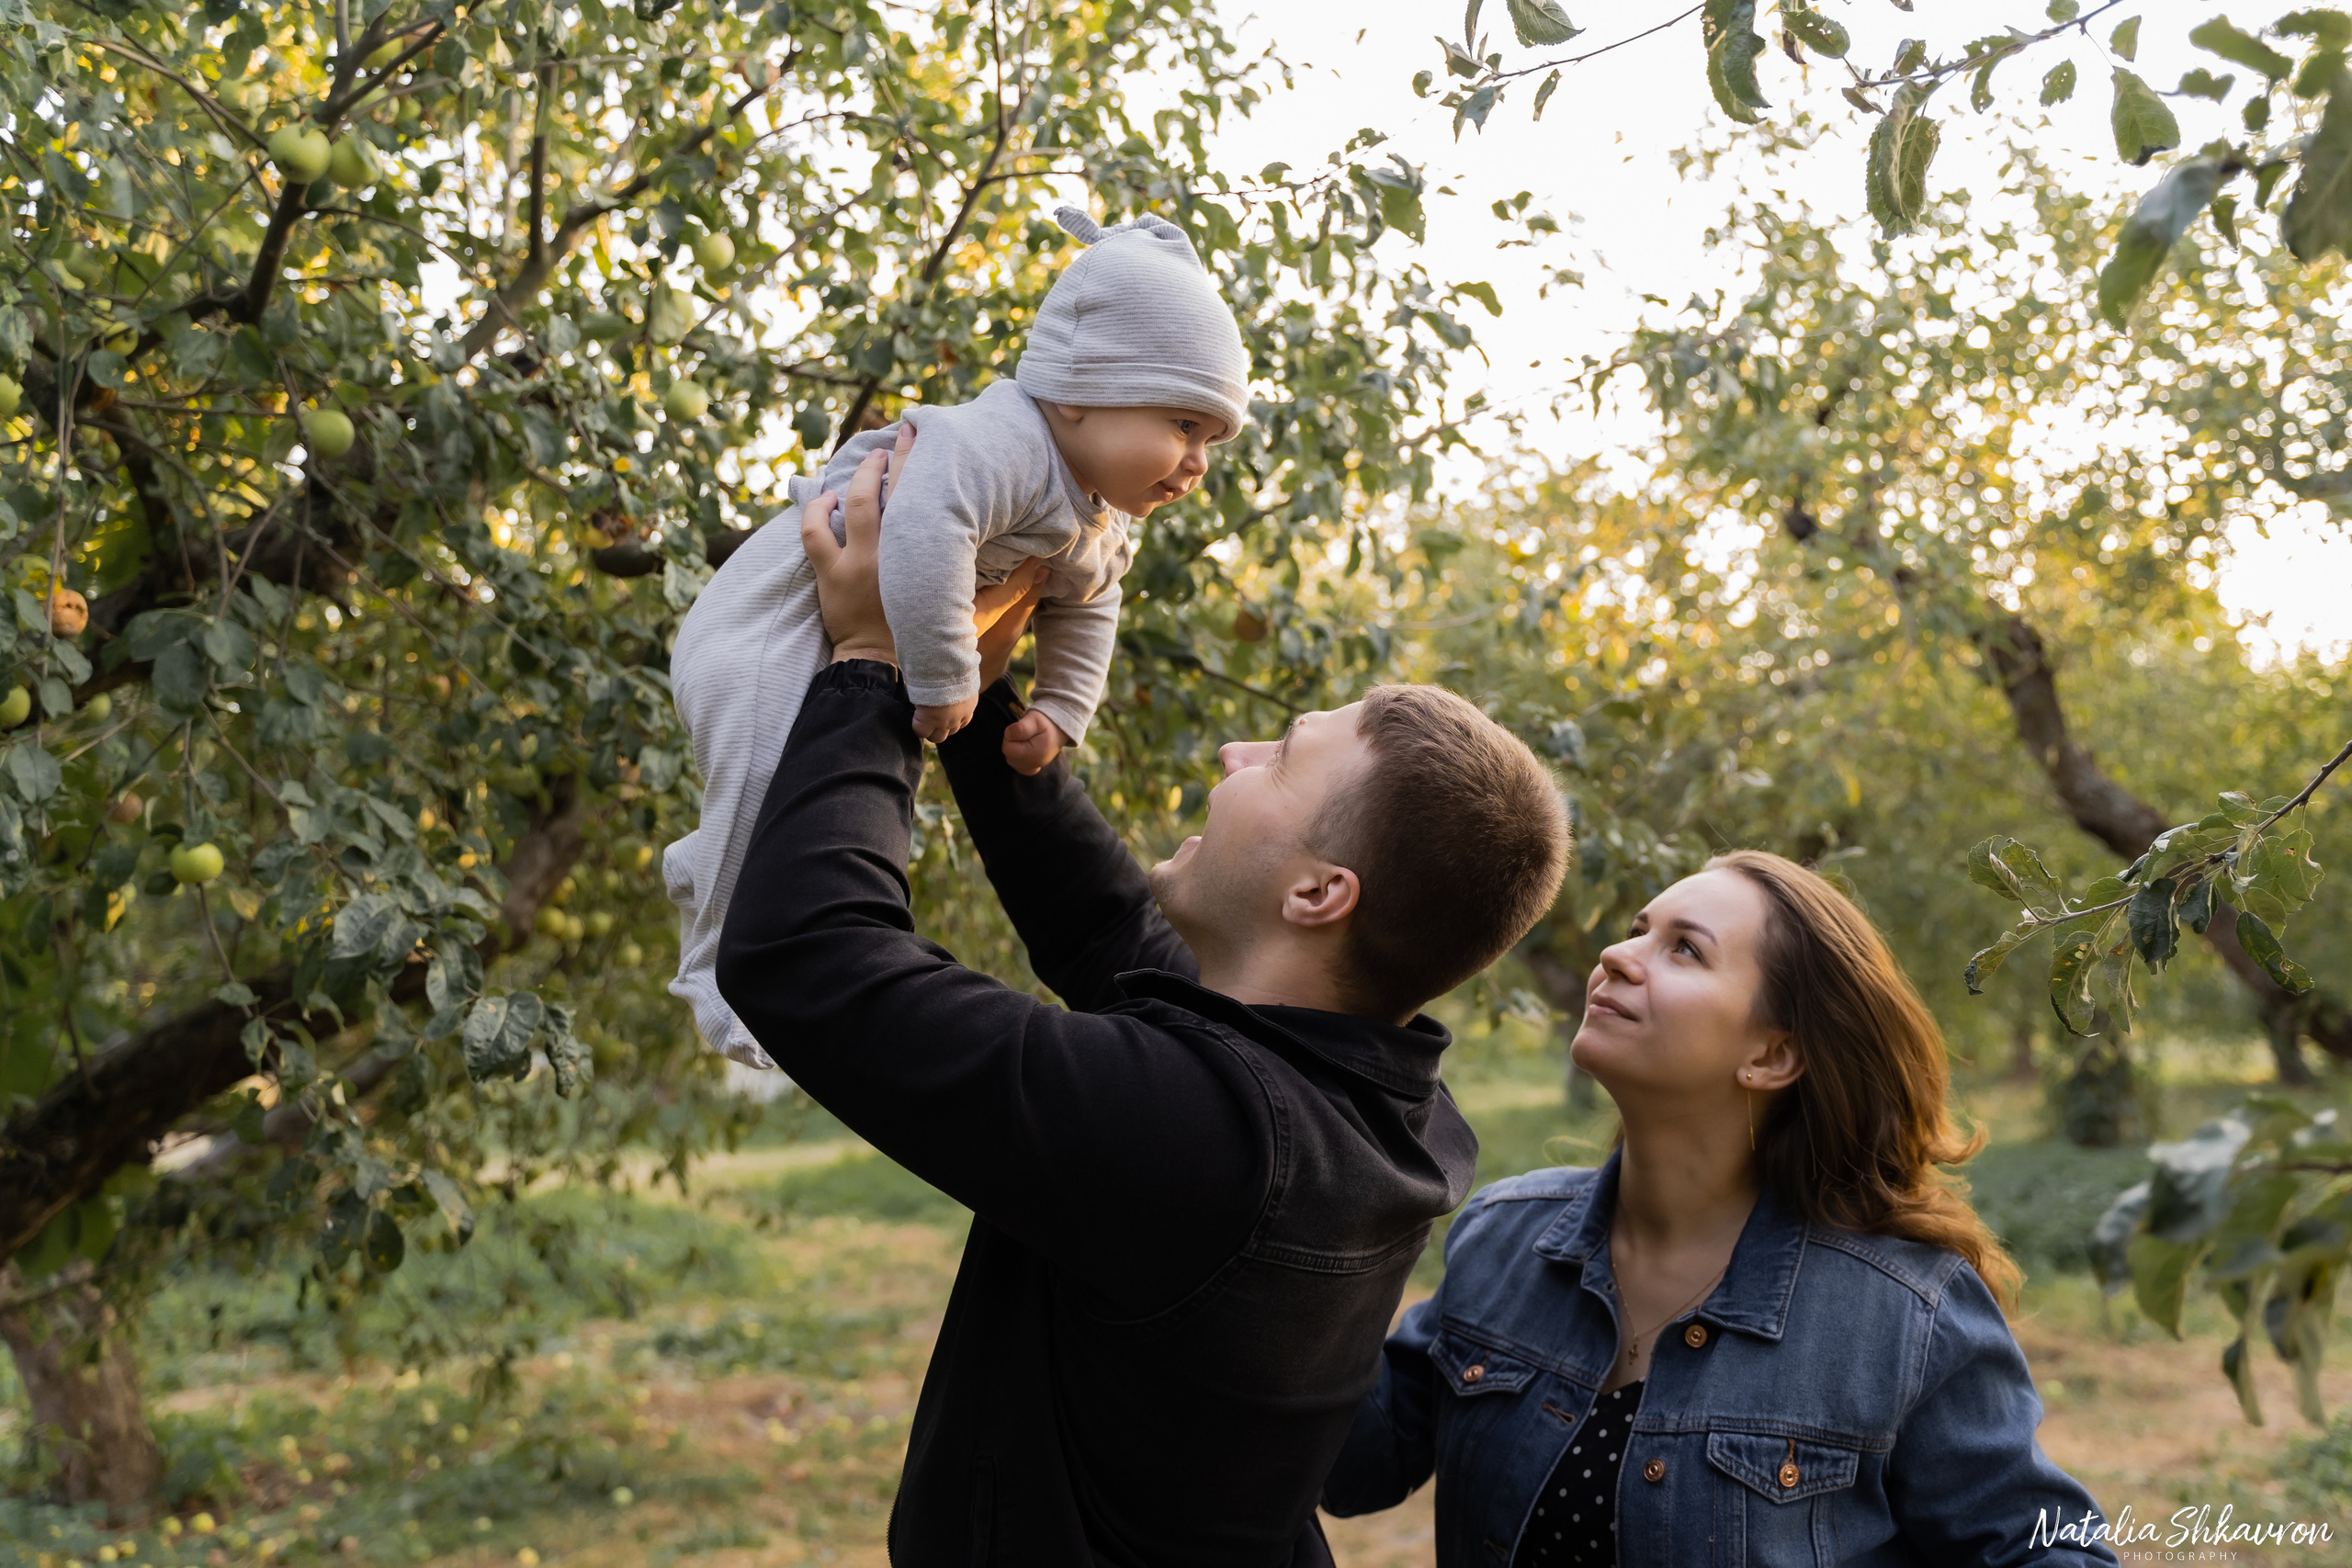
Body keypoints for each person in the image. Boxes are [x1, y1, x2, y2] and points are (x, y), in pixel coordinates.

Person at [713, 443, 1571, 1564]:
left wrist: (872, 663)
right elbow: (1108, 934)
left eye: (1279, 759)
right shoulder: (1354, 1100)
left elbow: (810, 956)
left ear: (1318, 893)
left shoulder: (1209, 1138)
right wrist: (960, 680)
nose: (1233, 747)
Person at [1322, 852, 2122, 1567]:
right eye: (1639, 930)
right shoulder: (1504, 1234)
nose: (1615, 956)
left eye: (1684, 948)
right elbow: (1354, 1463)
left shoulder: (1904, 1315)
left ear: (1771, 1054)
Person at [666, 205, 1249, 1068]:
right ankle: (714, 968)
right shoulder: (1003, 440)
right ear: (1082, 392)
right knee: (758, 782)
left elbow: (1091, 604)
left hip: (858, 633)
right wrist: (942, 680)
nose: (1198, 461)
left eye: (1214, 440)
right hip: (772, 619)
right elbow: (923, 531)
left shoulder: (1098, 519)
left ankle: (729, 905)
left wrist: (1058, 708)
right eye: (1184, 425)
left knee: (807, 804)